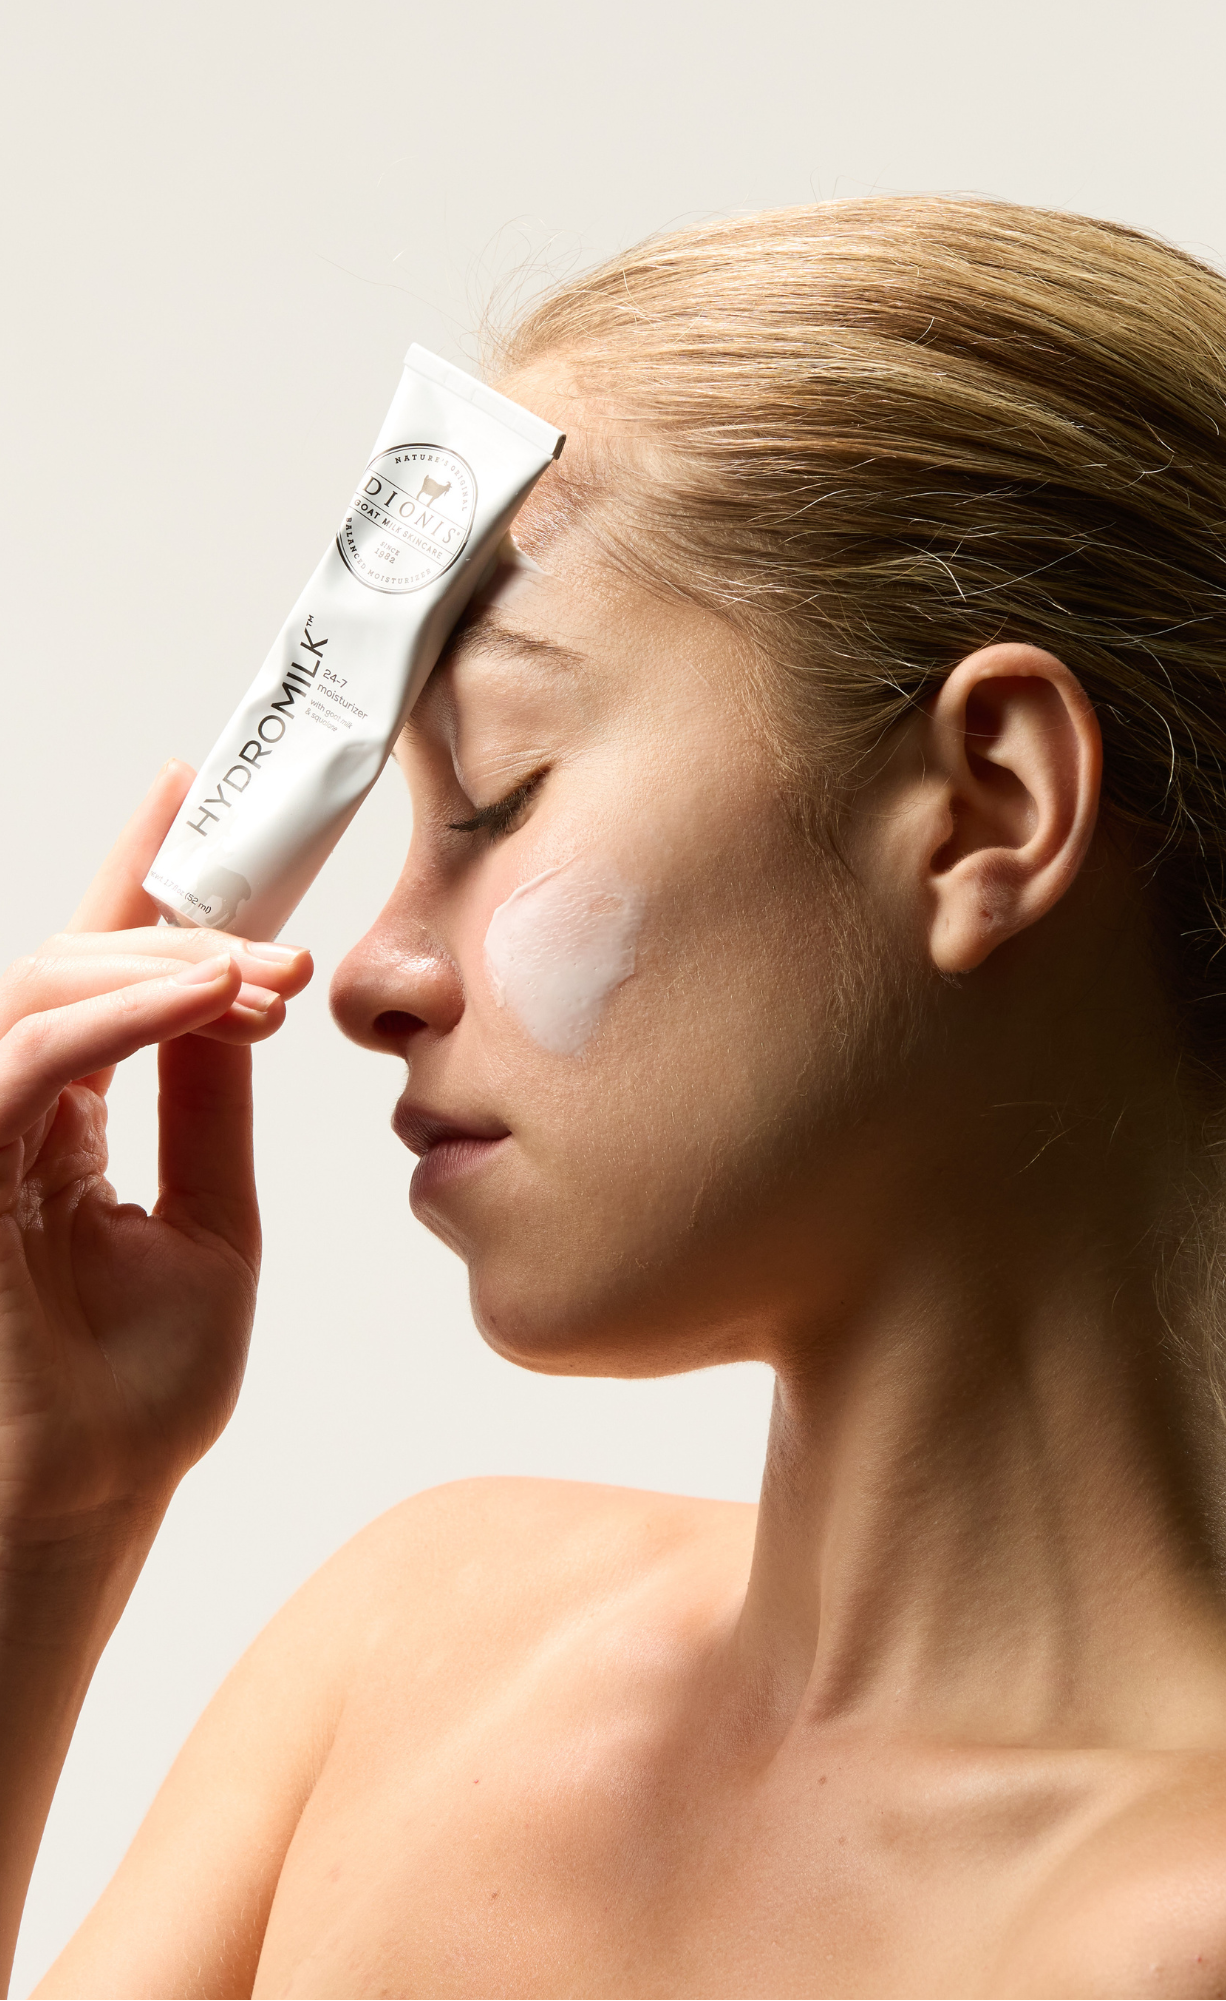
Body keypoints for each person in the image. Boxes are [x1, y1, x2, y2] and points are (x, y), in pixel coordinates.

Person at [5, 194, 1226, 2001]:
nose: (367, 973)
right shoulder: (408, 1653)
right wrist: (55, 1510)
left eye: (493, 799)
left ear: (986, 805)